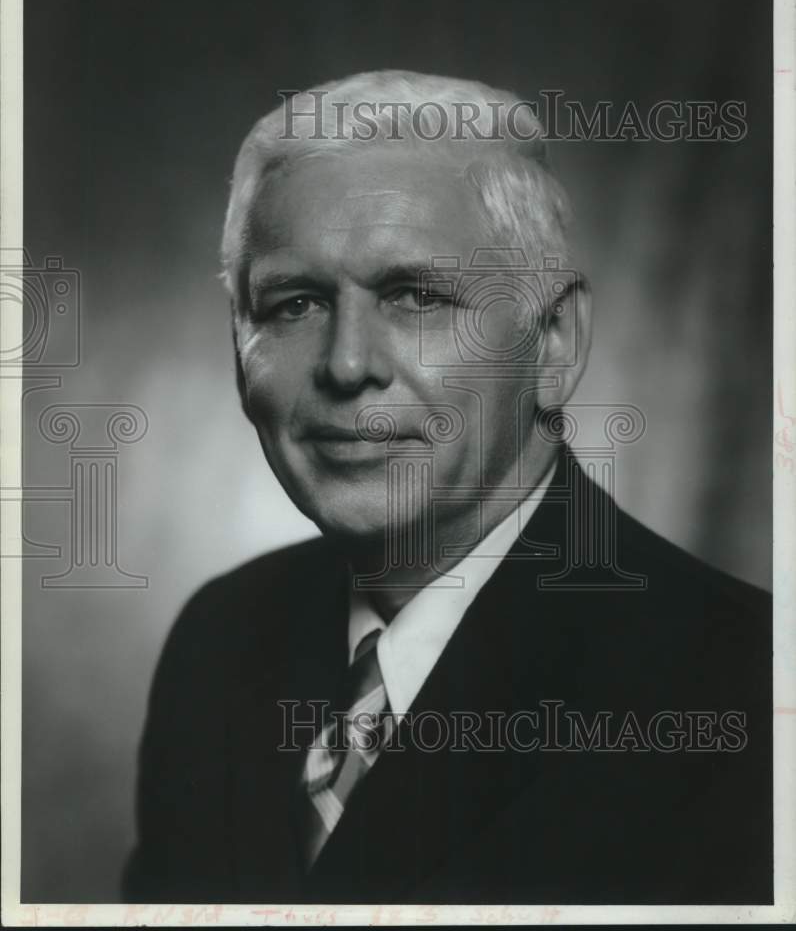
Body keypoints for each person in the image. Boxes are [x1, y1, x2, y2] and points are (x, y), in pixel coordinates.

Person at [123, 71, 771, 905]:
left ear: (552, 344)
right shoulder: (218, 641)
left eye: (418, 297)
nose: (348, 365)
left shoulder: (746, 695)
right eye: (295, 304)